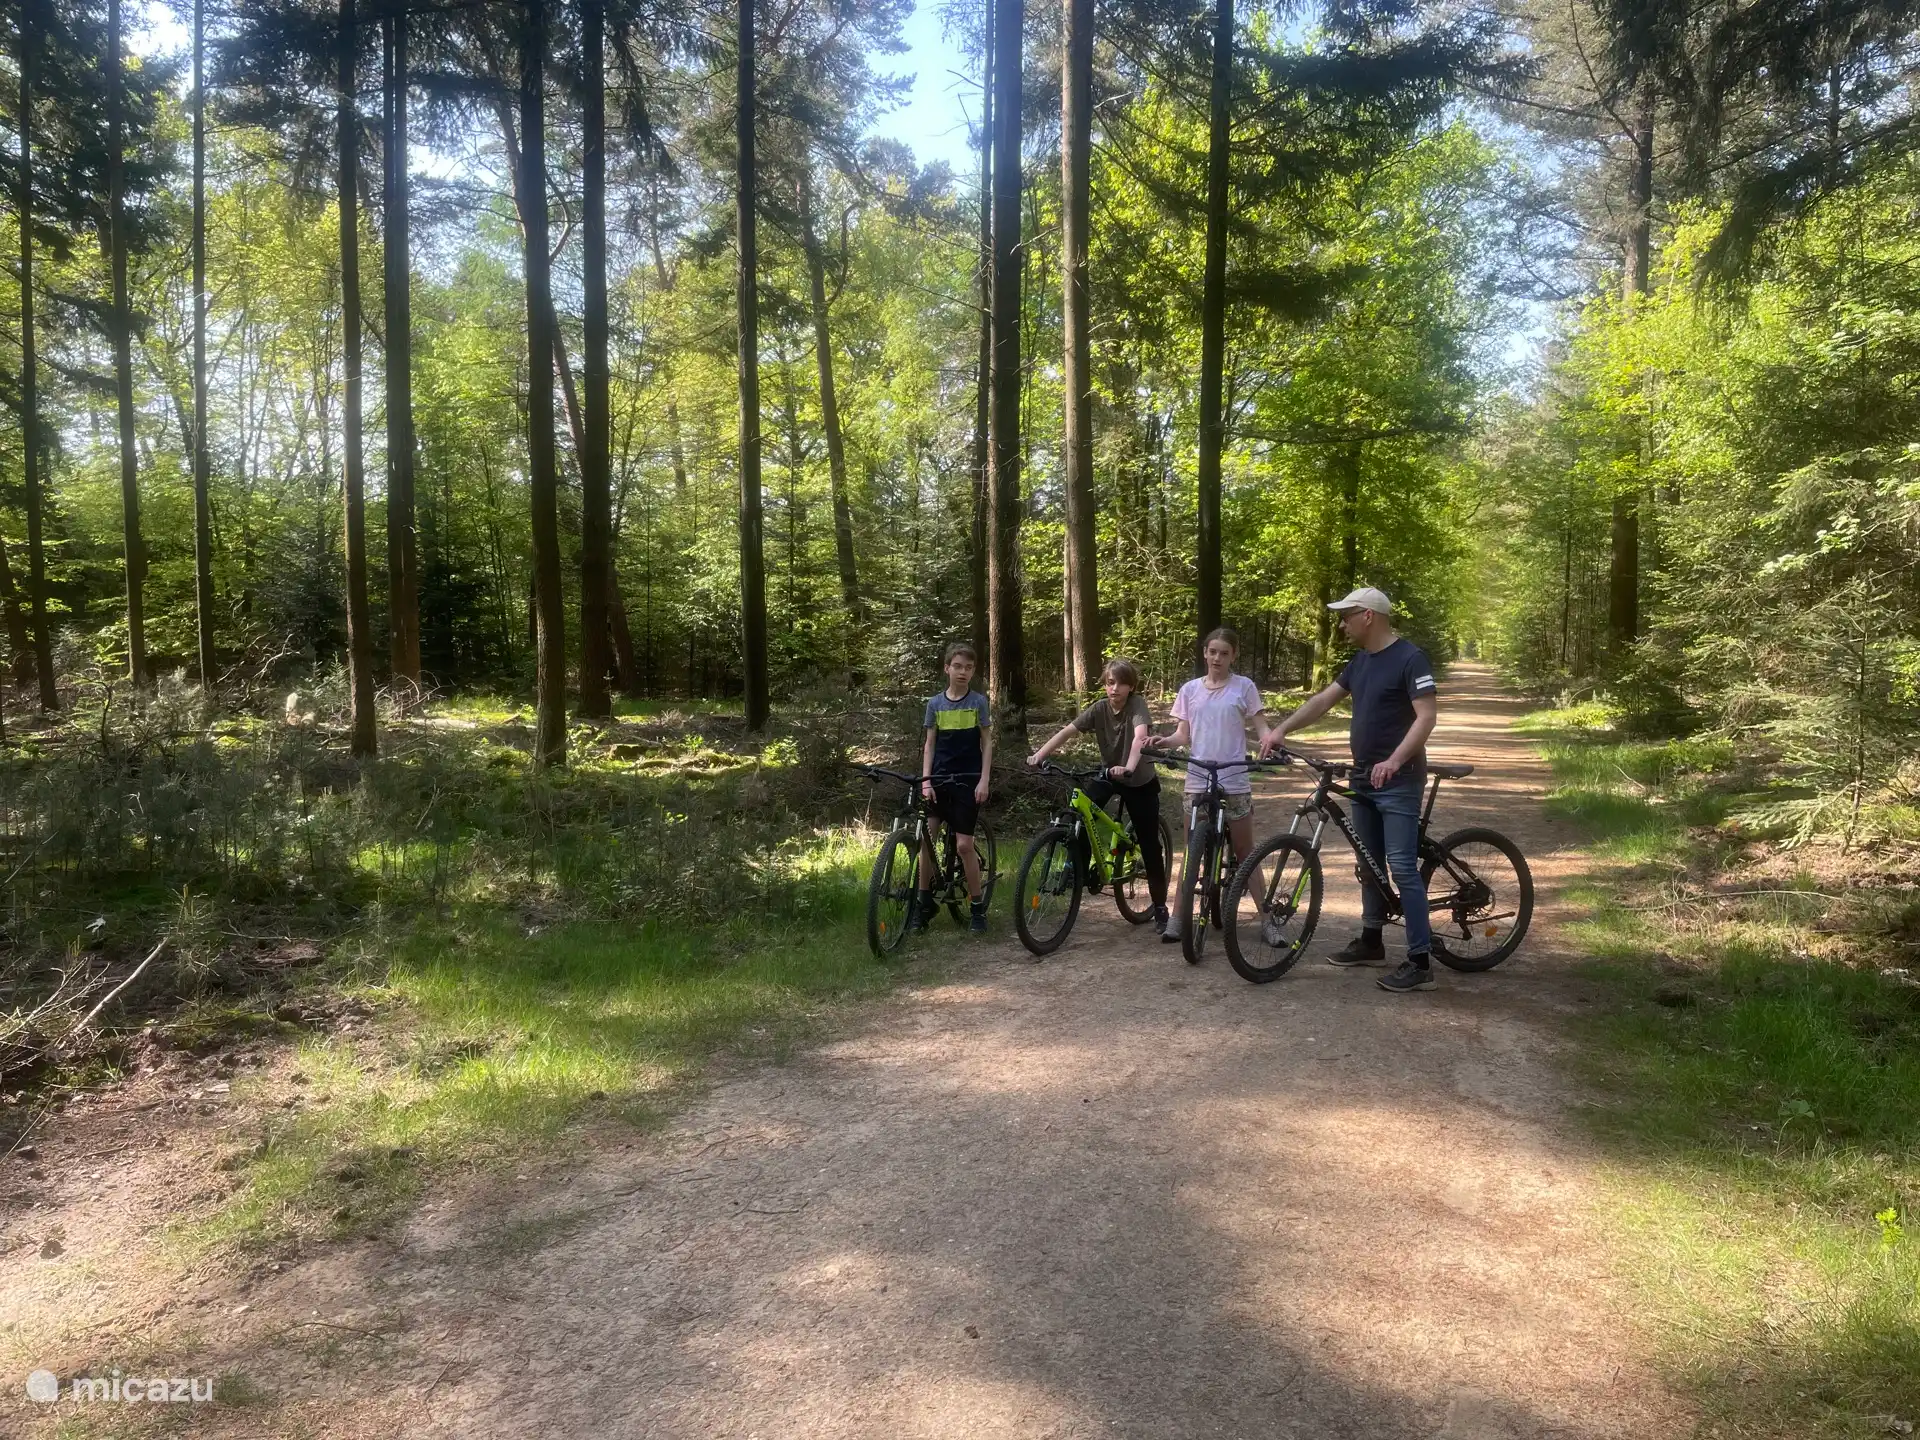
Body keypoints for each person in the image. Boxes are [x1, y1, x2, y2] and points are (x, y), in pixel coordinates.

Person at [1262, 586, 1439, 993]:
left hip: (1399, 781)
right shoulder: (1359, 662)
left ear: (1369, 616)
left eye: (1347, 615)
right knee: (1368, 863)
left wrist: (1394, 760)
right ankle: (1371, 940)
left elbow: (1426, 717)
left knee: (1402, 868)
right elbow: (1324, 700)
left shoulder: (1411, 658)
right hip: (1363, 779)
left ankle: (1420, 961)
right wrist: (1283, 729)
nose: (1341, 624)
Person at [1148, 628, 1276, 945]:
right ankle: (1178, 919)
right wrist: (1166, 741)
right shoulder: (1190, 690)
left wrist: (1269, 741)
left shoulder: (1244, 687)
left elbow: (1261, 726)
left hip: (1234, 778)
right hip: (1198, 778)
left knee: (1246, 852)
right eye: (1212, 651)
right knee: (1192, 852)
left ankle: (1268, 921)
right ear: (1204, 653)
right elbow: (1182, 735)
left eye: (1223, 653)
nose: (1216, 658)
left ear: (1233, 655)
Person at [1026, 657, 1171, 933]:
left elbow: (1140, 737)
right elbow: (1067, 731)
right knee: (1082, 810)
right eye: (1110, 682)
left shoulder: (1136, 706)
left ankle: (1161, 907)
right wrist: (1038, 755)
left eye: (1121, 683)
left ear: (1131, 687)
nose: (1114, 688)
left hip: (1138, 779)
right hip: (1109, 774)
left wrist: (1128, 768)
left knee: (1150, 844)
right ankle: (1079, 872)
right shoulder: (1099, 708)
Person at [911, 642, 993, 934]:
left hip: (968, 780)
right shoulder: (934, 704)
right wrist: (926, 781)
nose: (963, 672)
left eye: (968, 668)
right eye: (957, 666)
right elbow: (929, 745)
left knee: (963, 845)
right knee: (926, 843)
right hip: (939, 780)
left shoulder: (979, 702)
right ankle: (923, 904)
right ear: (947, 668)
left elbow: (986, 743)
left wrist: (984, 779)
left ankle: (977, 907)